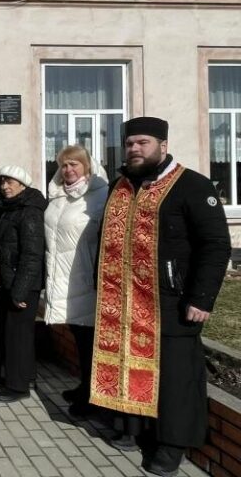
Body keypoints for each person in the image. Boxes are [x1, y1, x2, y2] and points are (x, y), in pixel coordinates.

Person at [90, 117, 231, 477]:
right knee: (129, 365)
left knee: (175, 377)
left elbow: (215, 245)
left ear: (163, 145)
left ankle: (172, 445)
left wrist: (201, 298)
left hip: (172, 300)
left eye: (143, 143)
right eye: (130, 143)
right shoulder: (121, 187)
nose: (135, 149)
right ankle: (132, 429)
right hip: (123, 300)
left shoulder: (192, 185)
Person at [43, 145, 108, 417]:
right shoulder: (58, 197)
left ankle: (94, 399)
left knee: (91, 343)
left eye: (74, 165)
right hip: (62, 280)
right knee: (81, 340)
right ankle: (84, 387)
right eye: (64, 165)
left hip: (87, 282)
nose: (68, 170)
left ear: (88, 167)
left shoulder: (100, 196)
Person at [0, 165, 47, 404]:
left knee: (18, 336)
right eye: (3, 182)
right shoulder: (11, 208)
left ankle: (17, 386)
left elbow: (32, 254)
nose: (5, 187)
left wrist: (20, 291)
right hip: (12, 281)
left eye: (10, 182)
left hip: (22, 284)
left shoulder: (29, 211)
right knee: (18, 334)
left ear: (23, 184)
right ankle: (26, 377)